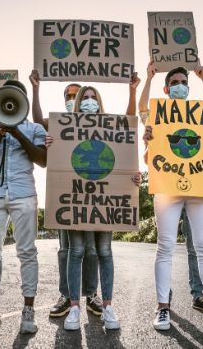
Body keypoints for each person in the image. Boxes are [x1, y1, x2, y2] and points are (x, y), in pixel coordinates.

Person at [138, 60, 203, 330]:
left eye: (184, 82)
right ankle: (162, 309)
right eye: (175, 83)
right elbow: (143, 111)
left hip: (199, 185)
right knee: (165, 246)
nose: (180, 86)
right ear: (166, 89)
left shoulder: (202, 113)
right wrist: (148, 78)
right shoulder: (158, 115)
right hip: (168, 187)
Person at [55, 78, 142, 331]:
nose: (89, 102)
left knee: (104, 252)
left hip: (104, 199)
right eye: (85, 98)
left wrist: (131, 175)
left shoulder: (111, 126)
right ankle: (73, 307)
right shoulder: (65, 127)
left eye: (94, 98)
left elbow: (127, 130)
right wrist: (52, 144)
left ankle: (108, 306)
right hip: (78, 197)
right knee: (76, 251)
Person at [0, 80, 47, 335]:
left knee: (27, 251)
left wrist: (17, 132)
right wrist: (1, 133)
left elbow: (42, 159)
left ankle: (28, 311)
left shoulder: (35, 128)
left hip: (24, 193)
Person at [28, 70, 103, 318]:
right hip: (66, 194)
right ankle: (66, 294)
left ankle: (91, 294)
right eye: (68, 95)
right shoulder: (58, 123)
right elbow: (37, 120)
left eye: (76, 94)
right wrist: (36, 88)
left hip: (93, 194)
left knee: (90, 249)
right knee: (66, 249)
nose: (73, 98)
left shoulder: (102, 123)